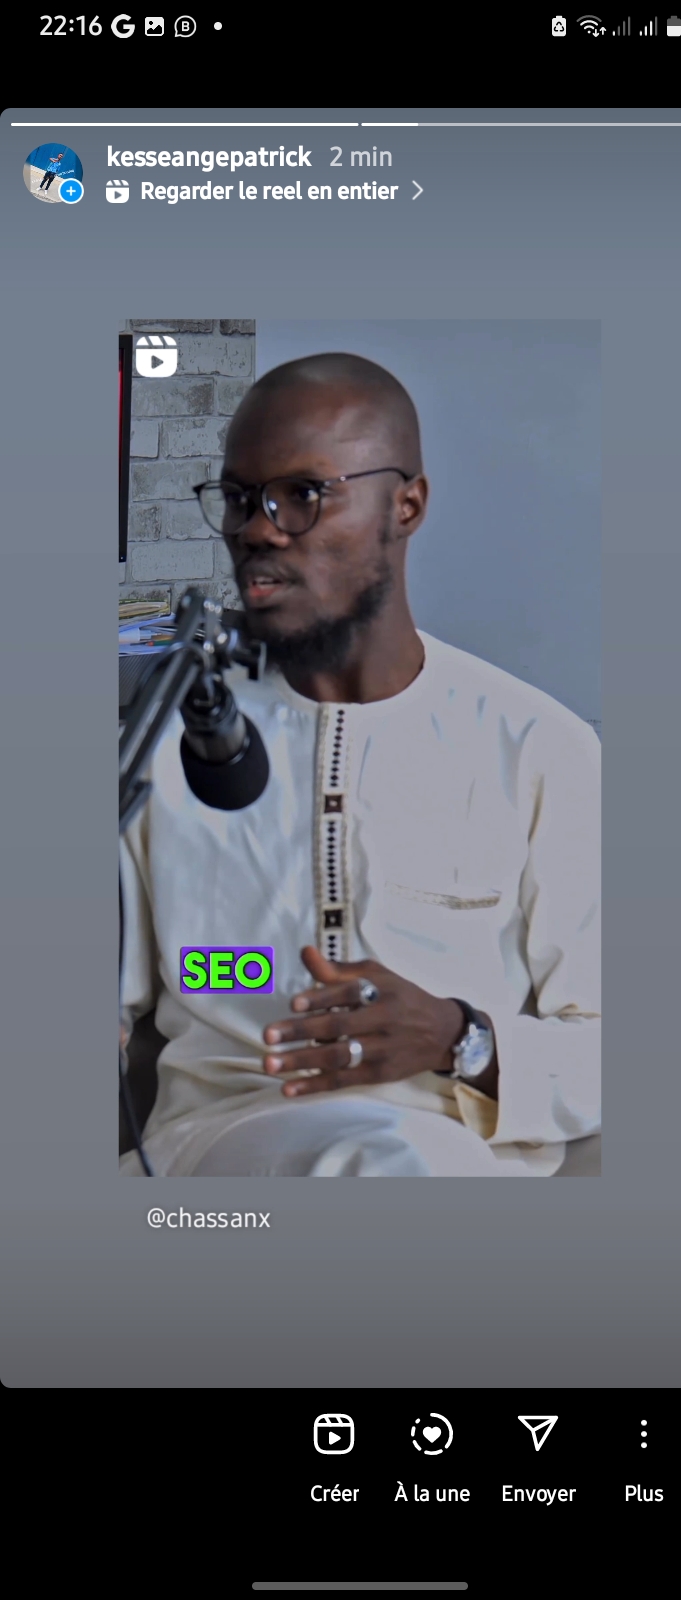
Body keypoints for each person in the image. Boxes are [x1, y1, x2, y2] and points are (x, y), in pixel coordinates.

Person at [120, 352, 600, 1177]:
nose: (258, 528)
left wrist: (459, 1037)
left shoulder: (537, 748)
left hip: (461, 1156)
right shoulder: (164, 744)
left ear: (406, 505)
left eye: (304, 494)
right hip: (222, 1146)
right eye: (239, 498)